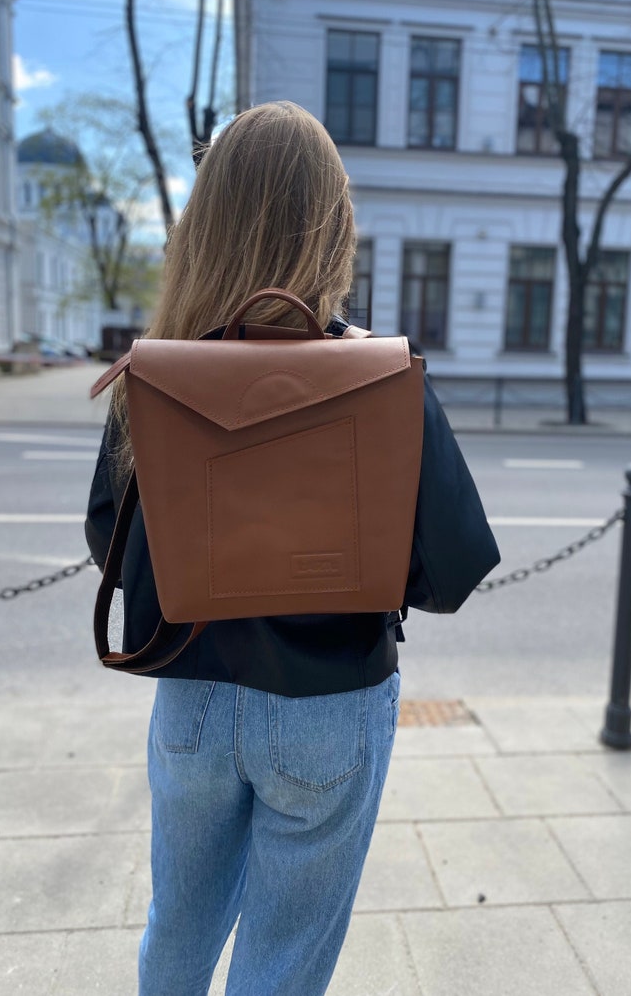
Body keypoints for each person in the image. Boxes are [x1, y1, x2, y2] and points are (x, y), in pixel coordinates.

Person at [85, 100, 500, 996]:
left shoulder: (158, 371)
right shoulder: (382, 375)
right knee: (284, 961)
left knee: (178, 929)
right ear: (334, 222)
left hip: (190, 695)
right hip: (330, 704)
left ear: (206, 223)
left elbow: (108, 542)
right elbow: (453, 569)